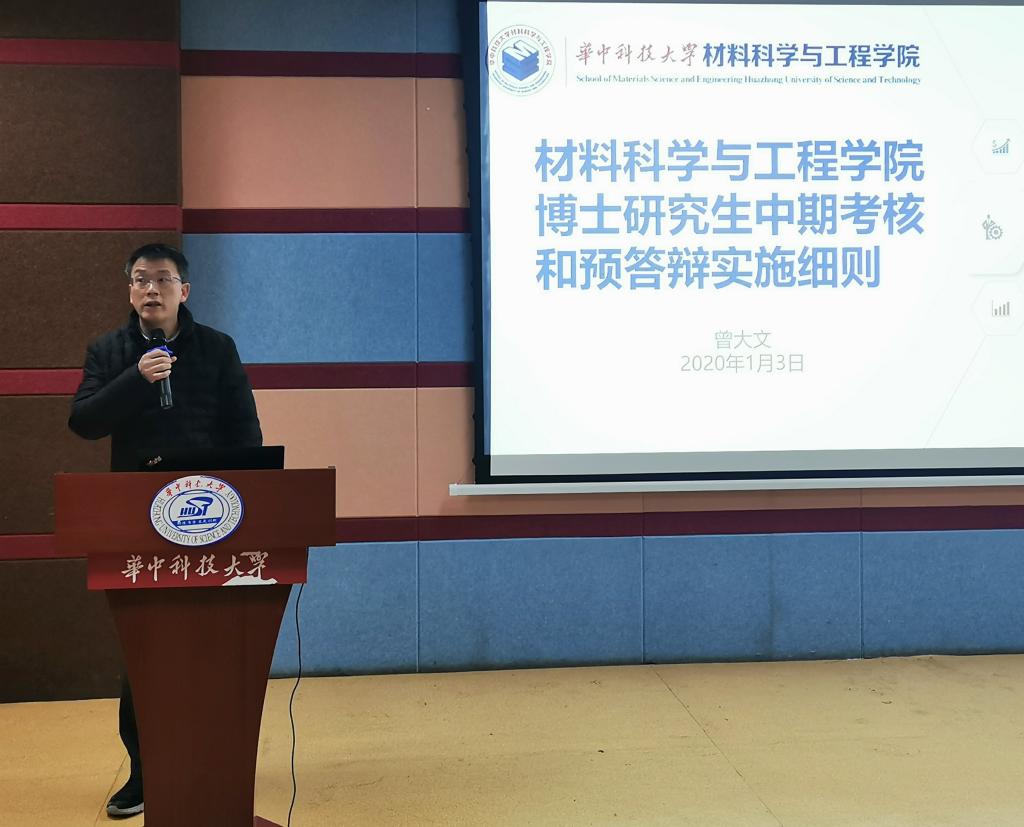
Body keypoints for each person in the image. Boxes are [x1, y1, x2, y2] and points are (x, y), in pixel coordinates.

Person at [68, 243, 262, 818]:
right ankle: (145, 769)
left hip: (213, 519)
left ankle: (213, 762)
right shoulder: (109, 351)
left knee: (214, 645)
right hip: (139, 520)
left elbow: (245, 431)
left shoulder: (218, 348)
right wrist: (135, 379)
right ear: (130, 291)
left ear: (185, 290)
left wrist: (249, 504)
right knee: (144, 651)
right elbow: (83, 421)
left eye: (163, 279)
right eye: (140, 280)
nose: (151, 289)